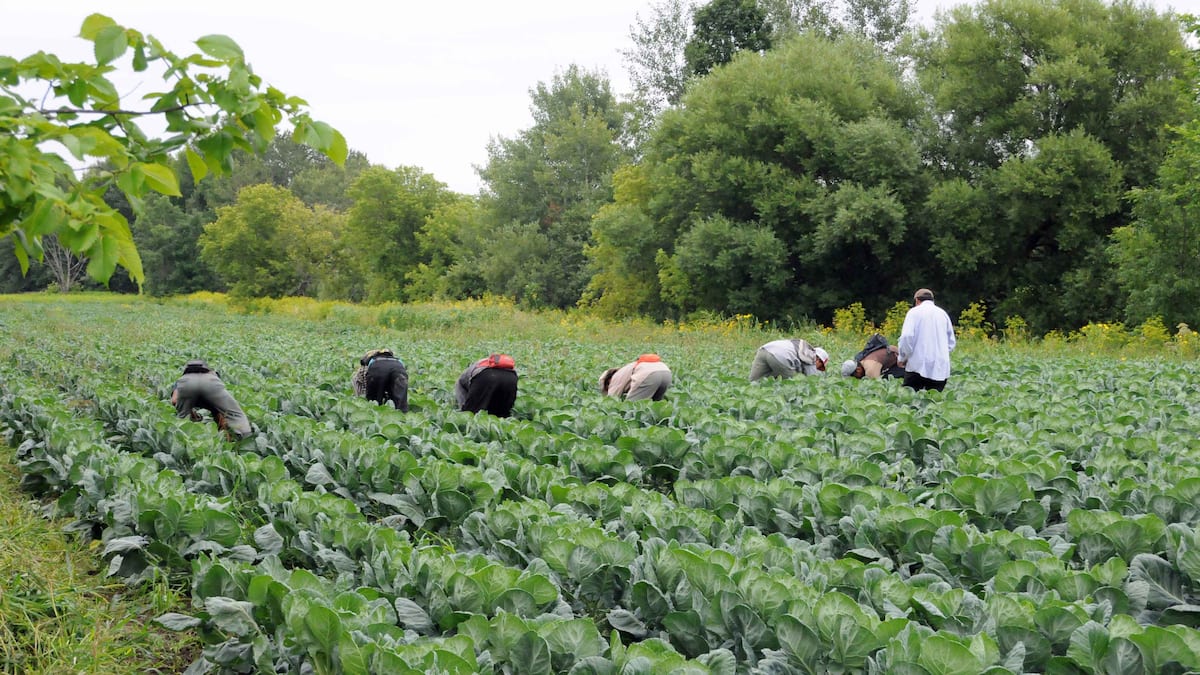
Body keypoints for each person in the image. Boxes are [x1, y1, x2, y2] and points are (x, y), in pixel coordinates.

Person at [170, 360, 252, 439]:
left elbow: (174, 400)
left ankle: (180, 439)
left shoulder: (183, 379)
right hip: (210, 383)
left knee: (182, 420)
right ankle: (246, 438)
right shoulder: (212, 375)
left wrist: (187, 411)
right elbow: (221, 411)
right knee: (235, 414)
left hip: (187, 385)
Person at [897, 288, 957, 392]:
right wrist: (940, 354)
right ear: (932, 300)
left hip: (917, 365)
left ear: (917, 300)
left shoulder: (914, 312)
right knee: (934, 399)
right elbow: (951, 342)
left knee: (910, 398)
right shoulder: (943, 314)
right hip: (940, 368)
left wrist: (902, 357)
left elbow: (906, 337)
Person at [455, 353, 519, 417]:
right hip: (511, 378)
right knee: (502, 414)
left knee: (472, 413)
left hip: (487, 376)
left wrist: (466, 409)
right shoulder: (486, 363)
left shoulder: (461, 381)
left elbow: (465, 406)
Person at [599, 353, 672, 401]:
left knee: (632, 406)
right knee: (655, 402)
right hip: (666, 372)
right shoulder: (625, 370)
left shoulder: (616, 377)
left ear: (608, 380)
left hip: (649, 375)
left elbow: (612, 399)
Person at [749, 339, 829, 382]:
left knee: (754, 382)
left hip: (764, 350)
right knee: (790, 385)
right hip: (781, 356)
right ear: (819, 360)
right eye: (820, 367)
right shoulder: (811, 356)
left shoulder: (802, 348)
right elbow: (811, 379)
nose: (817, 368)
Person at [840, 333, 905, 380]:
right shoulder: (863, 360)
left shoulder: (870, 369)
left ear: (858, 370)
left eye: (855, 377)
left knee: (887, 380)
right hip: (897, 358)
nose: (856, 380)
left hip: (904, 363)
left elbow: (877, 387)